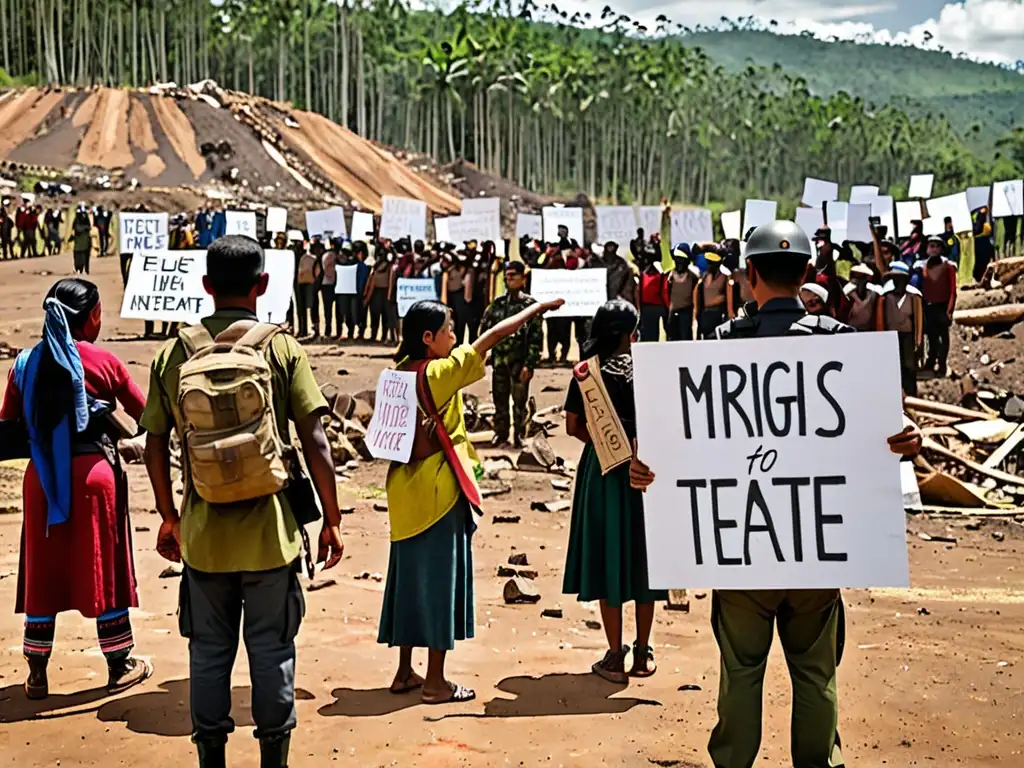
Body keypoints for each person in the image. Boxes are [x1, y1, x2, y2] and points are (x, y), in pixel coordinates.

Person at [629, 219, 925, 768]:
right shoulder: (841, 344)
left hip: (742, 548)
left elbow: (677, 442)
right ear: (809, 274)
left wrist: (649, 470)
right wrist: (909, 437)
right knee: (816, 672)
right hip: (817, 548)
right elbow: (890, 429)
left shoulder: (722, 344)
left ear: (749, 275)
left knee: (741, 671)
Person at [141, 235, 344, 768]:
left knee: (207, 655)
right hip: (271, 535)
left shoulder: (173, 353)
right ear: (264, 284)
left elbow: (154, 444)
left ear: (206, 287)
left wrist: (169, 516)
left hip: (204, 537)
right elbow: (315, 440)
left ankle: (212, 759)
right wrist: (332, 518)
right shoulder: (281, 348)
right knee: (272, 651)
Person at [379, 296, 562, 704]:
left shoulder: (397, 372)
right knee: (441, 584)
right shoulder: (438, 373)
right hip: (439, 492)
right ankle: (435, 682)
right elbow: (492, 337)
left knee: (408, 581)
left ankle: (405, 670)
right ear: (428, 338)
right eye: (448, 330)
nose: (455, 336)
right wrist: (536, 310)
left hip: (402, 492)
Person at [2, 278, 151, 700]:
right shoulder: (104, 361)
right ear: (91, 317)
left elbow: (9, 423)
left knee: (42, 571)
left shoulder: (25, 363)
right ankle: (119, 663)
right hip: (93, 477)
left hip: (42, 477)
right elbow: (148, 414)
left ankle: (36, 673)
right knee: (102, 566)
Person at [563, 299, 667, 683]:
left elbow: (573, 425)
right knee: (644, 560)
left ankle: (613, 655)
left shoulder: (586, 373)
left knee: (609, 558)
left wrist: (606, 447)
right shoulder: (649, 371)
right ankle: (643, 653)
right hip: (645, 472)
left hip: (602, 473)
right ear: (631, 334)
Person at [479, 261, 543, 448]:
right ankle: (501, 434)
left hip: (519, 361)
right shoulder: (497, 305)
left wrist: (530, 364)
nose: (510, 279)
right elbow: (485, 330)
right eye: (507, 276)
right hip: (500, 361)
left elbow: (536, 338)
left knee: (519, 402)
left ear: (523, 279)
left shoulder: (530, 306)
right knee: (500, 400)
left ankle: (519, 435)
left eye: (514, 275)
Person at [876, 261, 924, 396]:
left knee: (909, 364)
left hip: (907, 334)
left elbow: (918, 320)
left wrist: (918, 341)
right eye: (895, 280)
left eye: (900, 279)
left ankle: (911, 391)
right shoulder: (887, 297)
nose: (897, 283)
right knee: (895, 364)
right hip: (892, 335)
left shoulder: (913, 296)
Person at [920, 236, 958, 377]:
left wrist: (949, 309)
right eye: (931, 246)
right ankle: (930, 361)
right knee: (931, 336)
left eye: (937, 246)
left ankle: (942, 363)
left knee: (943, 337)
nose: (934, 249)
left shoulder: (948, 266)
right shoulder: (923, 267)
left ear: (942, 249)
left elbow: (953, 290)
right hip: (929, 306)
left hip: (942, 306)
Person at [695, 249, 730, 339]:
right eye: (708, 263)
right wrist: (696, 310)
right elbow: (696, 292)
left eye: (711, 263)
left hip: (718, 312)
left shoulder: (725, 277)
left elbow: (729, 294)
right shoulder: (705, 276)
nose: (709, 265)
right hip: (706, 313)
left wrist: (729, 312)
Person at [666, 244, 698, 341]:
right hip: (672, 312)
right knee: (672, 338)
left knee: (685, 338)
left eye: (682, 259)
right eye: (677, 258)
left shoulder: (693, 276)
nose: (679, 262)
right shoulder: (669, 276)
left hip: (686, 312)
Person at [637, 247, 668, 342]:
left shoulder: (645, 274)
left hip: (653, 306)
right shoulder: (645, 274)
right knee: (651, 334)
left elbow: (664, 290)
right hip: (652, 306)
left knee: (650, 334)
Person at [364, 252, 393, 344]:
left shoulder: (375, 268)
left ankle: (373, 336)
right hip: (386, 293)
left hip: (376, 294)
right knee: (385, 317)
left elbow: (371, 283)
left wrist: (366, 297)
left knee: (375, 317)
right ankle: (384, 337)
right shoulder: (389, 267)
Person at [295, 241, 321, 339]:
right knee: (309, 307)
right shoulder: (310, 258)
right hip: (307, 284)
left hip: (306, 284)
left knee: (310, 307)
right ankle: (308, 329)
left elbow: (300, 272)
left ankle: (311, 329)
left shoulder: (305, 258)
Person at [841, 264, 879, 331]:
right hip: (851, 328)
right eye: (855, 275)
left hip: (869, 329)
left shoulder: (873, 292)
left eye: (861, 276)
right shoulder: (847, 290)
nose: (856, 279)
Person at [603, 242, 636, 306]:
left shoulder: (622, 263)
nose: (610, 249)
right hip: (601, 297)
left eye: (612, 247)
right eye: (609, 247)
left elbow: (628, 282)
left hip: (617, 297)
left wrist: (623, 295)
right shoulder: (597, 262)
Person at [319, 239, 339, 340]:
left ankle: (329, 330)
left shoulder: (325, 256)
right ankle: (330, 330)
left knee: (328, 309)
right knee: (331, 310)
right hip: (330, 284)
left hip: (327, 284)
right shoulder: (332, 256)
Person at [973, 206, 996, 283]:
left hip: (983, 241)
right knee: (980, 261)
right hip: (979, 241)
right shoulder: (976, 212)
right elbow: (977, 229)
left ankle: (981, 277)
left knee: (982, 261)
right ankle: (979, 277)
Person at [70, 206, 92, 274]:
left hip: (82, 242)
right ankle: (81, 269)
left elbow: (76, 228)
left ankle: (81, 269)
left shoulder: (78, 219)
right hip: (82, 242)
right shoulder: (83, 218)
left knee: (81, 256)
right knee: (82, 256)